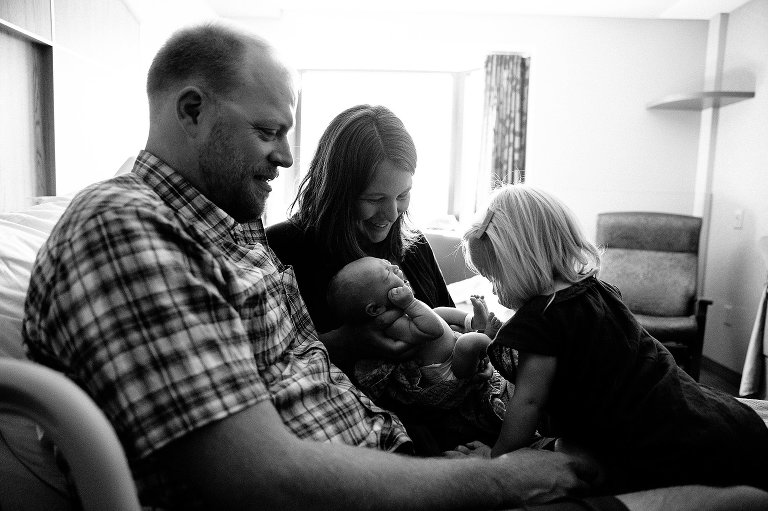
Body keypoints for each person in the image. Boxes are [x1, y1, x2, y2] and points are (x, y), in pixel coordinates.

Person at [20, 22, 768, 511]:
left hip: (408, 450)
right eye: (268, 130)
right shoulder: (127, 226)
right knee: (729, 494)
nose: (285, 154)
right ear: (190, 110)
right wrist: (501, 475)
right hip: (397, 475)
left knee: (711, 467)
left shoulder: (227, 230)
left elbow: (292, 363)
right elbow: (255, 474)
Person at [460, 184, 768, 495]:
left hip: (647, 436)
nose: (495, 291)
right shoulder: (595, 289)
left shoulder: (540, 320)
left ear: (521, 261)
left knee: (592, 461)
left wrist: (496, 461)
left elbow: (527, 404)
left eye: (494, 277)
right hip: (678, 400)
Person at [267, 103, 488, 453]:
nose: (391, 213)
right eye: (373, 199)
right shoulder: (283, 248)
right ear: (335, 190)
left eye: (403, 195)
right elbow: (269, 365)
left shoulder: (413, 248)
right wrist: (349, 341)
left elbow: (452, 341)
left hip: (453, 424)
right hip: (352, 442)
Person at [328, 256, 501, 383]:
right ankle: (488, 340)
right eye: (388, 274)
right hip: (449, 371)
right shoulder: (393, 326)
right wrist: (411, 303)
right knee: (467, 343)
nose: (395, 268)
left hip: (452, 352)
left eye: (388, 264)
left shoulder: (399, 312)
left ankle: (472, 322)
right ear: (376, 309)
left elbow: (433, 318)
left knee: (438, 311)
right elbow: (434, 329)